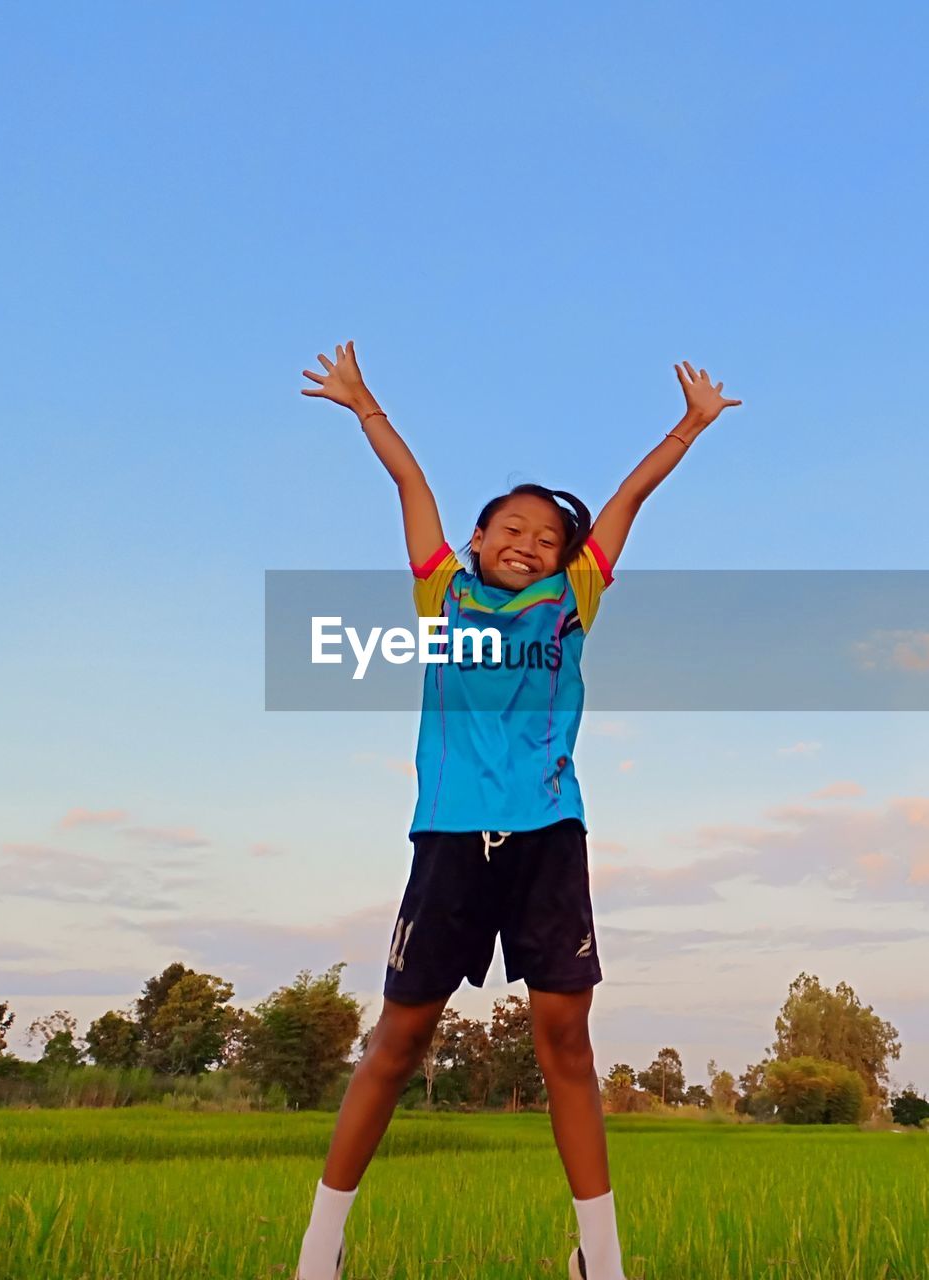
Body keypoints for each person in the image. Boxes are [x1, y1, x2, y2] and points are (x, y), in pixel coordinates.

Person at [295, 341, 742, 1280]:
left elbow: (626, 501)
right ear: (479, 536)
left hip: (547, 838)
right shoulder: (439, 592)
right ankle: (320, 1253)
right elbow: (408, 478)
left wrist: (690, 428)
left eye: (546, 536)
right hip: (451, 841)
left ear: (564, 560)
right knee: (398, 1039)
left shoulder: (570, 600)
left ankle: (601, 1264)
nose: (528, 542)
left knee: (565, 1040)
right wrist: (364, 403)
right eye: (511, 527)